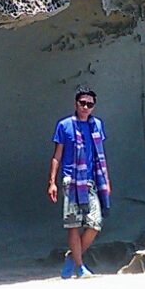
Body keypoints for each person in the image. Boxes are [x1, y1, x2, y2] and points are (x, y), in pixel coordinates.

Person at [47, 86, 111, 278]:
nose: (85, 107)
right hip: (71, 180)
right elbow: (57, 155)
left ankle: (71, 258)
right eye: (82, 103)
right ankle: (80, 267)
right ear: (76, 104)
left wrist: (106, 180)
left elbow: (101, 155)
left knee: (95, 224)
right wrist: (52, 181)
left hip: (91, 181)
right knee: (73, 225)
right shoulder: (65, 125)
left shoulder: (97, 125)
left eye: (89, 104)